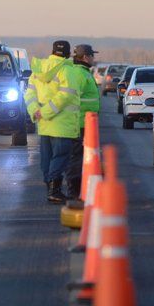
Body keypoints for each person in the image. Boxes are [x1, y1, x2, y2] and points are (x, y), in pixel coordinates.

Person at [24, 40, 81, 204]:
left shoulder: (37, 70)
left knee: (47, 158)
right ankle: (54, 190)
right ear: (68, 53)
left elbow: (29, 95)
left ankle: (50, 188)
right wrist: (46, 112)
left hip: (43, 124)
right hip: (62, 124)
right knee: (61, 156)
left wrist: (37, 111)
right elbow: (66, 95)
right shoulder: (67, 70)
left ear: (52, 52)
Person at [65, 44, 101, 199]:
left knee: (81, 158)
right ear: (85, 57)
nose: (94, 58)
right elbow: (71, 98)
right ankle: (73, 190)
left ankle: (79, 189)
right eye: (92, 55)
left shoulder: (84, 72)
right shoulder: (80, 74)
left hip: (84, 123)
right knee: (76, 158)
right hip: (79, 124)